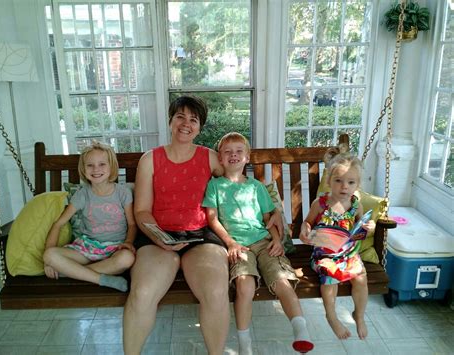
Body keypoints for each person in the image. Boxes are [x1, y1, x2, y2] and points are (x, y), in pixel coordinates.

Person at [123, 96, 283, 355]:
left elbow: (238, 183)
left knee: (216, 291)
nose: (186, 124)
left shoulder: (209, 158)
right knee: (141, 293)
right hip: (158, 238)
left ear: (200, 127)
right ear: (171, 120)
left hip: (202, 237)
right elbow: (141, 210)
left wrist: (273, 210)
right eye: (180, 117)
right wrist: (159, 237)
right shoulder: (150, 160)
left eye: (193, 120)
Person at [203, 132, 314, 354]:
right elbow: (212, 218)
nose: (233, 155)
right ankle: (245, 344)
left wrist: (277, 240)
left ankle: (301, 330)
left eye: (239, 151)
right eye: (227, 152)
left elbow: (268, 219)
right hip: (238, 246)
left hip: (264, 242)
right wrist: (230, 242)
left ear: (247, 157)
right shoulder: (215, 186)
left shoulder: (257, 187)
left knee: (282, 280)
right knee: (245, 285)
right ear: (220, 158)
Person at [299, 146, 375, 340]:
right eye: (338, 181)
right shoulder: (321, 203)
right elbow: (307, 222)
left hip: (348, 253)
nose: (344, 187)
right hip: (324, 254)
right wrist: (305, 230)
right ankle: (331, 315)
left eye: (351, 182)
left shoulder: (356, 204)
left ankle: (359, 314)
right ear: (329, 181)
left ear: (357, 185)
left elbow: (360, 224)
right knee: (329, 277)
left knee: (360, 278)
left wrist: (368, 227)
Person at [43, 141, 137, 292]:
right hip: (87, 249)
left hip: (115, 249)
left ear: (111, 167)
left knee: (127, 259)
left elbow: (132, 224)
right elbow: (58, 224)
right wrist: (48, 263)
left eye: (102, 164)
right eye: (90, 165)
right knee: (49, 255)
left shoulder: (122, 193)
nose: (96, 169)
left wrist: (128, 242)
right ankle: (100, 278)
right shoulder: (82, 195)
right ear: (83, 169)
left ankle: (71, 272)